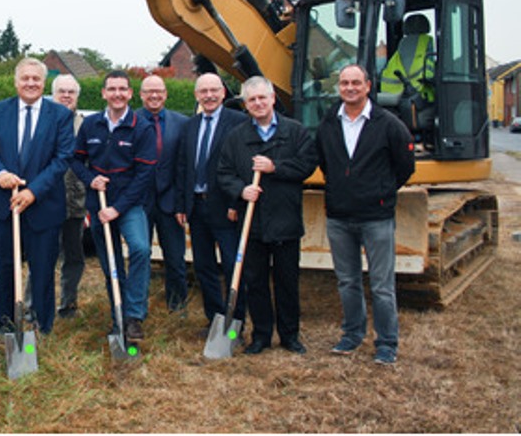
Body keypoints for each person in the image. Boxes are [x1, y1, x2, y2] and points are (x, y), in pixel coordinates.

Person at [316, 64, 415, 365]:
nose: (350, 88)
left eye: (356, 83)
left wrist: (382, 192)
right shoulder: (329, 123)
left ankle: (386, 343)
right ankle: (352, 333)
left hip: (376, 216)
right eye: (344, 83)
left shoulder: (388, 123)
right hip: (339, 216)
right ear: (339, 87)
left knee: (382, 285)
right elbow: (324, 160)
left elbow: (405, 166)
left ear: (368, 86)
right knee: (347, 281)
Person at [217, 76, 316, 354]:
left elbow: (307, 164)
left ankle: (289, 335)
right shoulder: (236, 137)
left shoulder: (294, 132)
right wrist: (241, 190)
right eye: (252, 100)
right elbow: (224, 173)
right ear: (246, 105)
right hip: (253, 224)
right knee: (255, 281)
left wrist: (275, 167)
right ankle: (261, 335)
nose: (258, 103)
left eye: (263, 98)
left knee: (287, 281)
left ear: (273, 98)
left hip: (285, 220)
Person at [0, 58, 74, 335]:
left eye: (36, 78)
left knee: (43, 270)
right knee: (5, 269)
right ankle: (7, 325)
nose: (31, 83)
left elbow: (63, 158)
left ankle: (42, 325)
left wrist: (33, 191)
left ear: (43, 82)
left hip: (43, 207)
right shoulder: (1, 111)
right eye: (25, 78)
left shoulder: (59, 115)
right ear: (16, 81)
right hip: (5, 206)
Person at [71, 70, 156, 343]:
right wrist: (90, 178)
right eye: (112, 89)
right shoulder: (91, 124)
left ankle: (134, 316)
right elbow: (74, 160)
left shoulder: (140, 127)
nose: (117, 94)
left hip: (129, 205)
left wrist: (118, 209)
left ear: (130, 93)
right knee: (111, 261)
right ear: (104, 93)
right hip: (99, 205)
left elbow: (144, 175)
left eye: (123, 89)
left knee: (141, 249)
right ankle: (117, 314)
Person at [174, 72, 246, 337]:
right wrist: (182, 204)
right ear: (197, 95)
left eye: (214, 90)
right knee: (204, 267)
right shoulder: (190, 126)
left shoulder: (238, 122)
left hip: (225, 208)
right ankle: (214, 320)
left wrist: (235, 202)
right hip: (196, 206)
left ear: (223, 93)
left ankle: (235, 322)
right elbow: (183, 166)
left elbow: (241, 166)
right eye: (203, 91)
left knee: (231, 266)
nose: (209, 96)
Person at [135, 74, 190, 312]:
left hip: (170, 203)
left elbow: (186, 166)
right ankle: (137, 307)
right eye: (149, 91)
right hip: (139, 202)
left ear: (166, 94)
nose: (154, 95)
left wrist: (182, 204)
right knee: (140, 256)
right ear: (141, 95)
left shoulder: (182, 123)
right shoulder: (131, 120)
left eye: (159, 91)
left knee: (176, 259)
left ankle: (177, 305)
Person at [51, 74, 88, 318]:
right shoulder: (42, 123)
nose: (66, 96)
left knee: (74, 257)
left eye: (71, 92)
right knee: (42, 258)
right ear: (53, 95)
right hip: (47, 203)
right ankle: (34, 307)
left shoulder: (86, 126)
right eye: (61, 91)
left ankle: (68, 304)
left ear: (77, 96)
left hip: (76, 204)